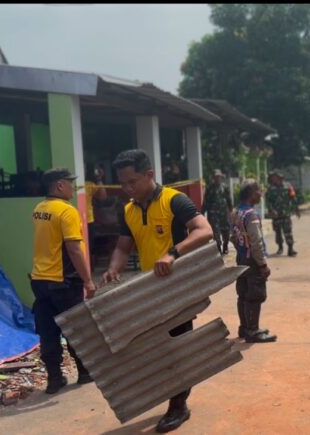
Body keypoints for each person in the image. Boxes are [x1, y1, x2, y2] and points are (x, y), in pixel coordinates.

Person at [100, 149, 213, 433]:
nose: (127, 188)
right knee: (155, 347)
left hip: (177, 289)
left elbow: (204, 230)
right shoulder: (129, 209)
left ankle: (178, 406)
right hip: (147, 291)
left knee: (176, 348)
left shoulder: (174, 200)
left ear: (149, 175)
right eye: (123, 183)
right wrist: (114, 267)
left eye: (132, 182)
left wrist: (172, 253)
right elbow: (123, 246)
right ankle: (173, 397)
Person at [30, 168, 96, 394]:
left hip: (39, 280)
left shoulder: (39, 209)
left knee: (48, 330)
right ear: (59, 185)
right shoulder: (66, 212)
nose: (72, 187)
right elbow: (74, 249)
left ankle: (54, 379)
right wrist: (88, 280)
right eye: (70, 183)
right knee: (76, 328)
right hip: (63, 281)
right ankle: (85, 373)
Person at [230, 180, 277, 343]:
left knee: (242, 293)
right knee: (255, 295)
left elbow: (233, 237)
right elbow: (256, 242)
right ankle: (253, 330)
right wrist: (262, 265)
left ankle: (244, 328)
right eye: (258, 191)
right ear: (251, 193)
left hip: (241, 258)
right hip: (252, 261)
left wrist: (241, 252)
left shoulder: (236, 212)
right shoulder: (251, 215)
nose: (261, 194)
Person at [265, 171, 299, 257]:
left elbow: (293, 197)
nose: (276, 180)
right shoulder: (271, 189)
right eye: (275, 178)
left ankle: (290, 249)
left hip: (286, 214)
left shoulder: (288, 186)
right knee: (278, 233)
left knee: (288, 232)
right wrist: (271, 210)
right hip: (276, 215)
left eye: (277, 178)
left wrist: (296, 209)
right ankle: (280, 248)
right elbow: (268, 201)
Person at [201, 169, 233, 255]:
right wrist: (202, 212)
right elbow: (206, 201)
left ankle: (225, 246)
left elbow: (229, 199)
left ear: (221, 177)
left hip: (224, 214)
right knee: (216, 234)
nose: (217, 178)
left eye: (219, 177)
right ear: (213, 178)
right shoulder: (209, 188)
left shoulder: (225, 187)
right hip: (213, 215)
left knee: (226, 232)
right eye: (216, 177)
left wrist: (231, 210)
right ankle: (219, 249)